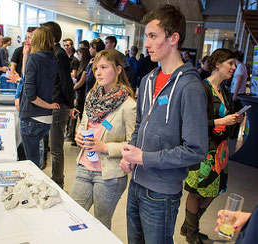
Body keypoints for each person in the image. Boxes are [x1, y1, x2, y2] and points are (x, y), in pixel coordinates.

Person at [119, 5, 209, 244]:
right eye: (146, 36)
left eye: (153, 36)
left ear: (173, 38)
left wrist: (144, 158)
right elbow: (140, 125)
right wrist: (130, 154)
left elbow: (196, 150)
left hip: (161, 193)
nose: (146, 43)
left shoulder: (190, 87)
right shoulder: (148, 80)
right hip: (136, 183)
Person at [182, 49, 244, 244]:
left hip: (220, 151)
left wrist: (233, 119)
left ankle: (188, 227)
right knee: (197, 191)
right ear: (217, 64)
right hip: (205, 150)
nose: (234, 68)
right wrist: (222, 120)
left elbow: (222, 118)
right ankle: (192, 232)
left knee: (213, 191)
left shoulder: (223, 90)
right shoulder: (202, 88)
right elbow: (194, 122)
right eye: (230, 64)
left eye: (234, 64)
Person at [70, 49, 136, 230]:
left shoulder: (129, 105)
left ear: (119, 69)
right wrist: (79, 134)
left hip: (109, 175)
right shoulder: (92, 96)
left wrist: (105, 147)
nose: (98, 72)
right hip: (84, 165)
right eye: (96, 68)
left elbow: (133, 144)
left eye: (104, 67)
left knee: (101, 225)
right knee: (72, 217)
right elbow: (84, 124)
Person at [41, 21, 78, 188]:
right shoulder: (50, 52)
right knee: (49, 144)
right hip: (49, 104)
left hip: (58, 105)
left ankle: (58, 183)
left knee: (56, 148)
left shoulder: (60, 54)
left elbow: (66, 82)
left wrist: (70, 105)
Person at [19, 26, 59, 168]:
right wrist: (25, 55)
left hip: (32, 117)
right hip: (45, 119)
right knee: (34, 158)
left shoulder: (34, 59)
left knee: (31, 163)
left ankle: (34, 188)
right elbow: (27, 78)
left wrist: (49, 105)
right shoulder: (52, 59)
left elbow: (30, 94)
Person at [68, 47, 91, 145]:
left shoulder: (86, 66)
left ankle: (80, 138)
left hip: (81, 93)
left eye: (80, 54)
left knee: (81, 116)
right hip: (79, 93)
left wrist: (71, 88)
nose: (78, 56)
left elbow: (81, 81)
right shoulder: (82, 65)